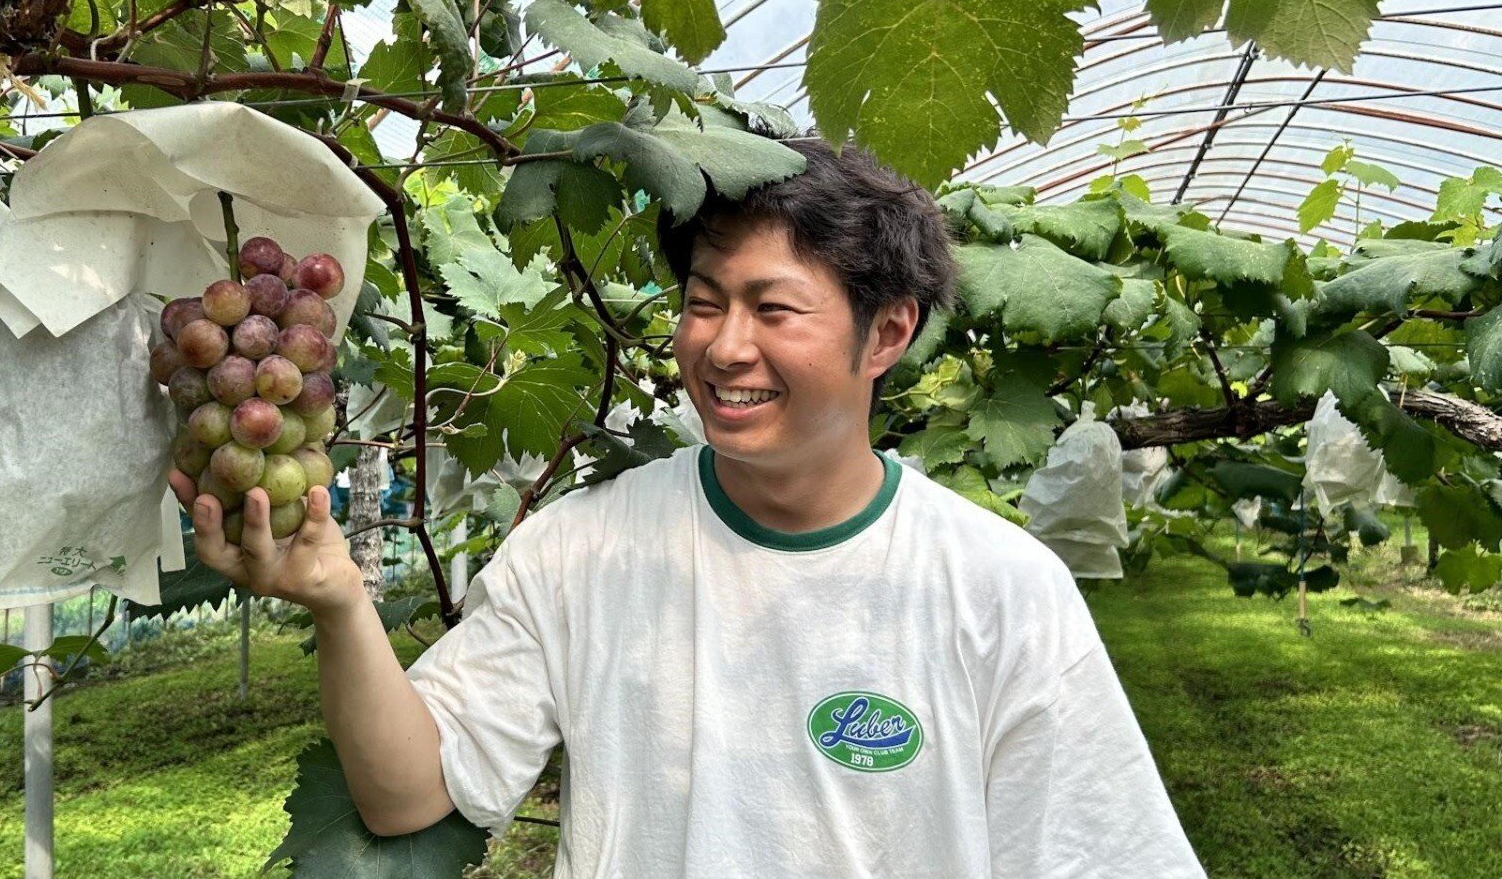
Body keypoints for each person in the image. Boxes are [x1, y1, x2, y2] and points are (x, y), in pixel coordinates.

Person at [168, 140, 1205, 877]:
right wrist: (343, 604)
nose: (722, 345)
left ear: (886, 335)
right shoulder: (579, 550)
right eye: (704, 302)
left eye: (773, 308)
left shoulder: (1001, 589)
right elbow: (409, 797)